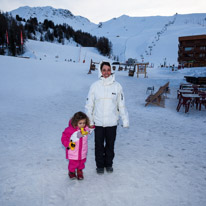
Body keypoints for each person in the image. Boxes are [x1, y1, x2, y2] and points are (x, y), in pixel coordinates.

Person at [85, 61, 129, 174]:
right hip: (98, 122)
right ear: (100, 71)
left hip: (112, 122)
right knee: (99, 145)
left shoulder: (117, 86)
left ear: (111, 71)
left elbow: (121, 105)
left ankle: (109, 164)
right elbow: (89, 105)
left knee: (110, 145)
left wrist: (125, 120)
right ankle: (99, 165)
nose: (106, 72)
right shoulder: (95, 86)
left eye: (108, 70)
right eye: (104, 70)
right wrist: (89, 121)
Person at [61, 111, 94, 180]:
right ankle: (71, 172)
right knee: (73, 163)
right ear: (75, 122)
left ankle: (80, 171)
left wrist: (91, 127)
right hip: (73, 151)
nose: (82, 125)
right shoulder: (70, 130)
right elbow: (64, 138)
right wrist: (68, 144)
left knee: (81, 162)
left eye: (84, 123)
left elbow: (89, 130)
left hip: (82, 150)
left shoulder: (85, 129)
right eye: (80, 123)